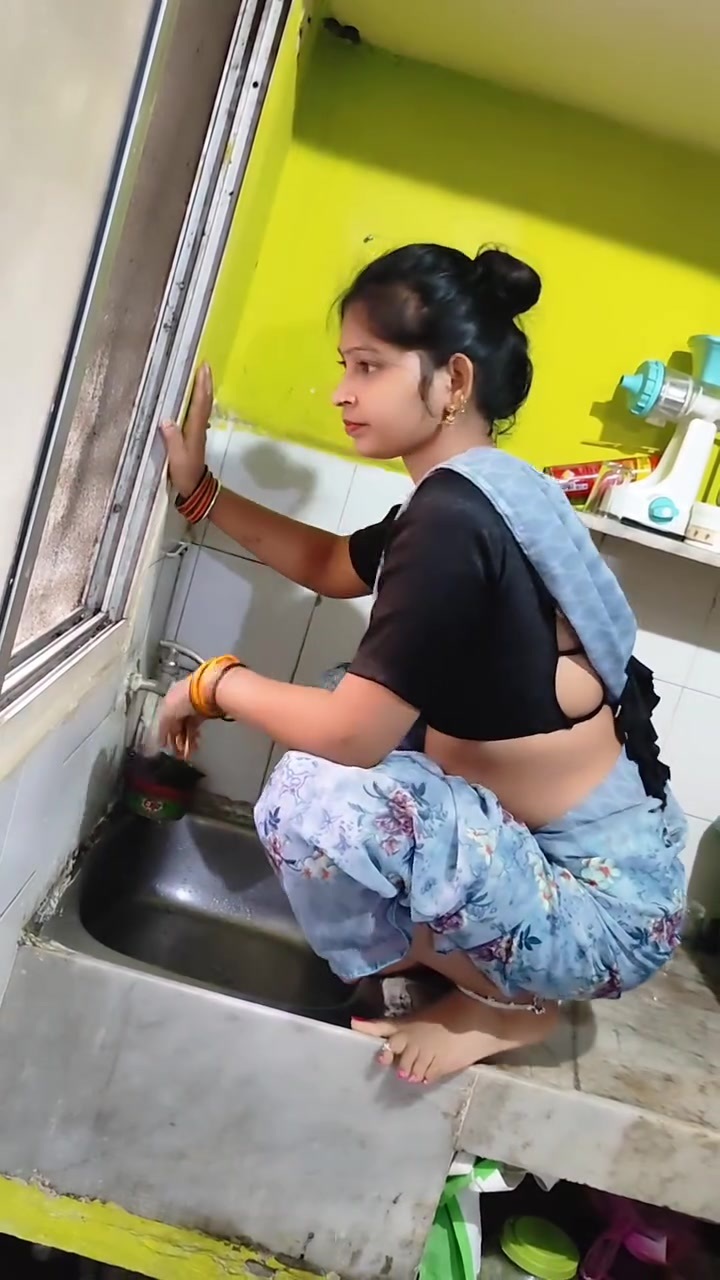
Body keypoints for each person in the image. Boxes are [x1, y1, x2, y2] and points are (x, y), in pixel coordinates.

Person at [158, 244, 687, 1085]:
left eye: (368, 366)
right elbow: (332, 564)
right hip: (603, 873)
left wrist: (209, 685)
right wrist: (201, 493)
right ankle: (472, 969)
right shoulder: (490, 490)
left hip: (597, 917)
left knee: (312, 795)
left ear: (454, 381)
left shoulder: (455, 517)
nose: (342, 391)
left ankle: (503, 1003)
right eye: (345, 365)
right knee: (346, 699)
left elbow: (352, 738)